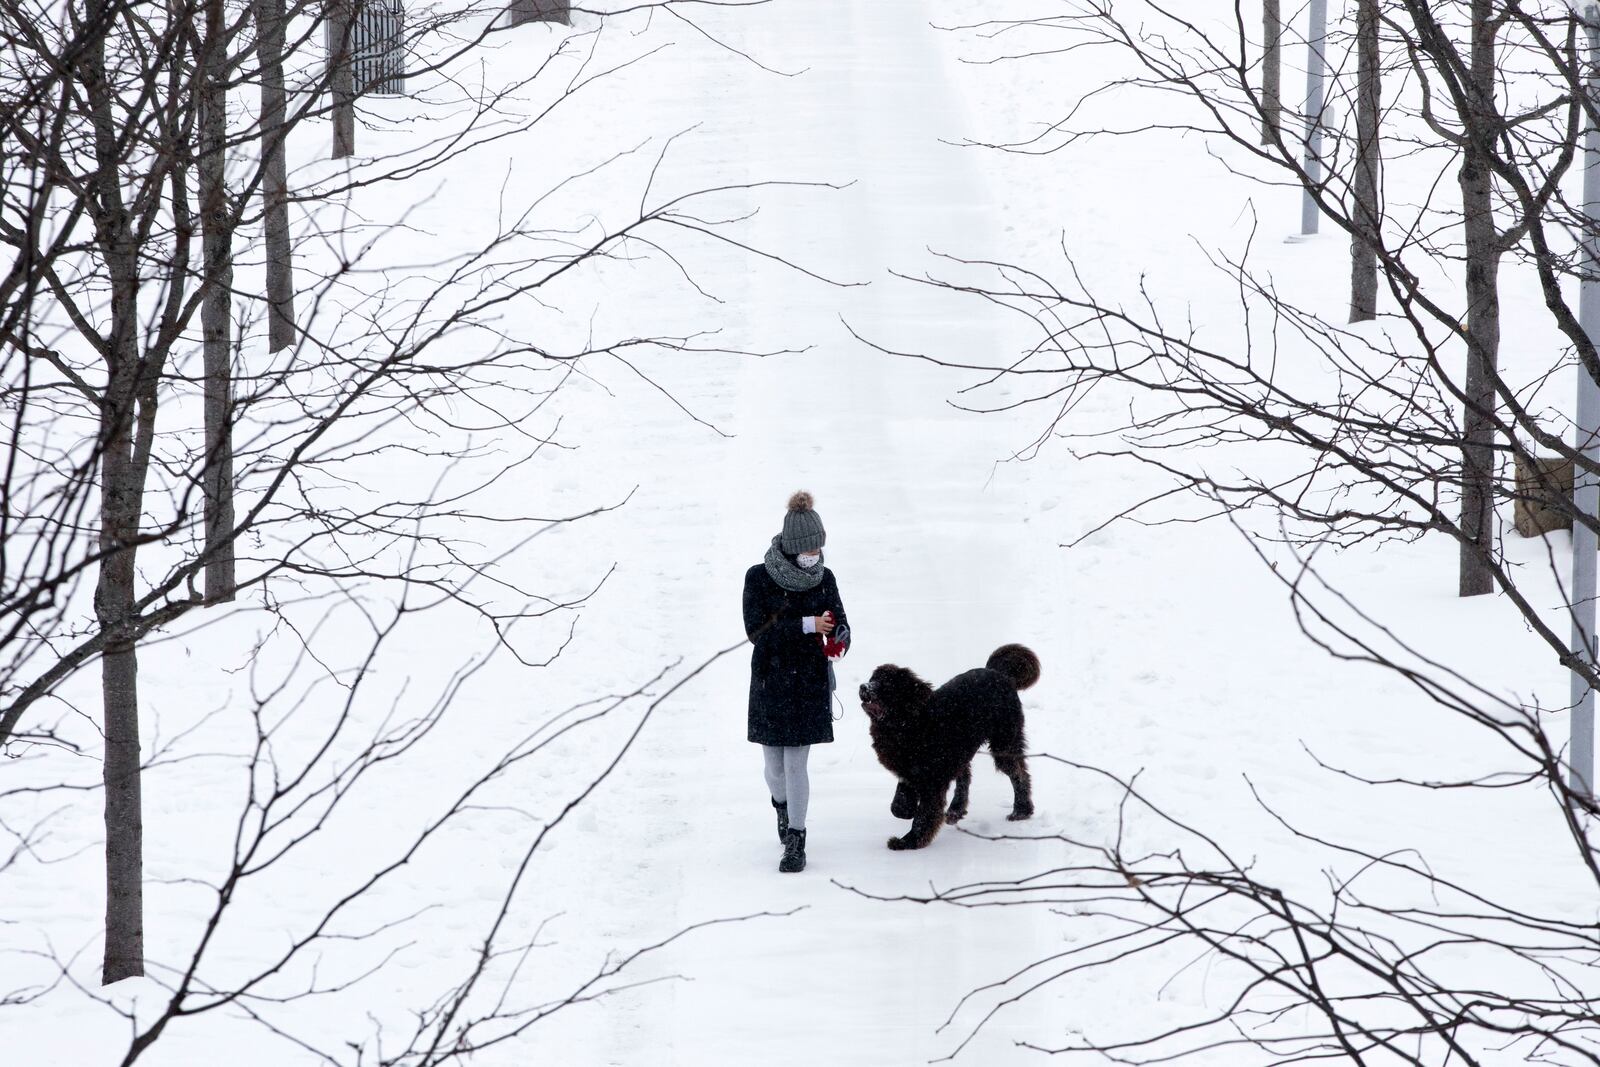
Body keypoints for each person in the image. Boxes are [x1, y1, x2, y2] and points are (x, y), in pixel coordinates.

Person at [742, 491, 851, 873]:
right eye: (810, 548)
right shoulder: (758, 577)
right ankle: (782, 809)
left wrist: (838, 639)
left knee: (795, 765)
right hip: (771, 680)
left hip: (809, 682)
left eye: (820, 547)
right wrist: (807, 626)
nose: (816, 554)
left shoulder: (825, 578)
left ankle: (796, 840)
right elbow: (757, 631)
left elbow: (839, 621)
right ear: (793, 547)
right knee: (774, 768)